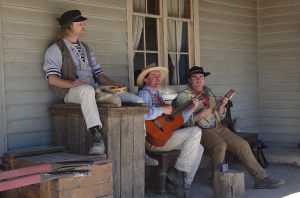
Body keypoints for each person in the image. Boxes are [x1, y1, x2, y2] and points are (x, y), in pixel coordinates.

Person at [43, 10, 143, 155]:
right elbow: (52, 78)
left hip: (94, 88)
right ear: (69, 26)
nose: (84, 25)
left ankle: (142, 144)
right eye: (80, 23)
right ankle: (97, 137)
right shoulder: (55, 49)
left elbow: (99, 75)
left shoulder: (86, 48)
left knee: (136, 100)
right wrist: (71, 84)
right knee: (86, 90)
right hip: (71, 92)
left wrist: (114, 84)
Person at [172, 66, 285, 189]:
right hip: (198, 130)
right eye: (195, 77)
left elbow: (219, 116)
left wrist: (222, 107)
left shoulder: (207, 91)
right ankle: (218, 180)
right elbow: (183, 122)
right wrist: (201, 114)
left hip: (217, 127)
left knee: (242, 145)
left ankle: (261, 178)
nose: (199, 80)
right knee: (219, 145)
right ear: (189, 80)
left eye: (201, 77)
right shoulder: (183, 97)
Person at [136, 63, 204, 197]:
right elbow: (141, 114)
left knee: (199, 148)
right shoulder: (144, 94)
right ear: (145, 79)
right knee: (195, 132)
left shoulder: (158, 96)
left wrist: (191, 109)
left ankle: (184, 184)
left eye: (159, 76)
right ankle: (176, 173)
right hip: (152, 140)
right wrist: (162, 110)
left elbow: (177, 121)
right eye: (154, 75)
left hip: (163, 138)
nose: (158, 78)